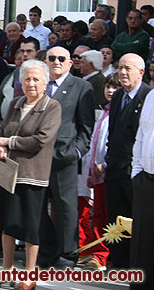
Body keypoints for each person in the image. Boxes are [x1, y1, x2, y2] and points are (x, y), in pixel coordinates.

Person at [0, 60, 62, 289]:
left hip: (32, 174)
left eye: (36, 79)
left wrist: (8, 142)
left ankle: (30, 275)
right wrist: (0, 145)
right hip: (8, 172)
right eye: (27, 79)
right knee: (7, 223)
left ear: (45, 82)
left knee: (31, 226)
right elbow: (1, 131)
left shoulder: (52, 107)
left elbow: (40, 140)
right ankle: (6, 270)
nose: (31, 83)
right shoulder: (15, 103)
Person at [38, 47, 94, 269]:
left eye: (62, 59)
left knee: (66, 209)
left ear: (70, 63)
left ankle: (68, 254)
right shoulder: (39, 85)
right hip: (38, 157)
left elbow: (86, 126)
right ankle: (47, 250)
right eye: (52, 58)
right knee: (38, 207)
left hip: (64, 157)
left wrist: (76, 152)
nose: (56, 62)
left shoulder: (81, 87)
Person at [103, 53, 152, 267]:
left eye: (128, 68)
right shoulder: (118, 96)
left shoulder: (148, 96)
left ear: (141, 72)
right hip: (114, 167)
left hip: (136, 169)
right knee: (116, 217)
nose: (122, 72)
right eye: (120, 67)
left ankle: (135, 262)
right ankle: (119, 260)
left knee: (137, 220)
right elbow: (113, 132)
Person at [80, 73, 120, 272]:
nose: (110, 91)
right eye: (108, 87)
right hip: (95, 172)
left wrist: (104, 164)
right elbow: (95, 144)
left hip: (109, 171)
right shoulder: (103, 111)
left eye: (115, 87)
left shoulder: (118, 112)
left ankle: (105, 255)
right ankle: (96, 253)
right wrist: (90, 171)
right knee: (98, 215)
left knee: (108, 216)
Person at [130, 88, 154, 288]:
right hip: (145, 179)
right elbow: (141, 135)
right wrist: (136, 172)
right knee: (143, 244)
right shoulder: (151, 96)